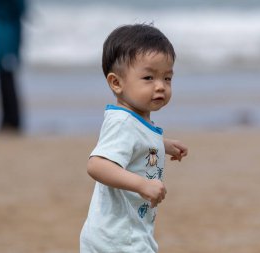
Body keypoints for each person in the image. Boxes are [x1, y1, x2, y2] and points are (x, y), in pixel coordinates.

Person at [80, 24, 188, 253]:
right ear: (116, 83)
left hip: (126, 231)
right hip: (120, 237)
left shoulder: (135, 121)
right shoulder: (122, 123)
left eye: (167, 78)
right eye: (148, 77)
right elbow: (97, 165)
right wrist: (142, 184)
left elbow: (136, 144)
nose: (160, 86)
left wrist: (163, 145)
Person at [0, 0, 25, 133]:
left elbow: (21, 9)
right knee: (3, 79)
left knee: (8, 80)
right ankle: (6, 120)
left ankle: (13, 121)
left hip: (8, 39)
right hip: (2, 38)